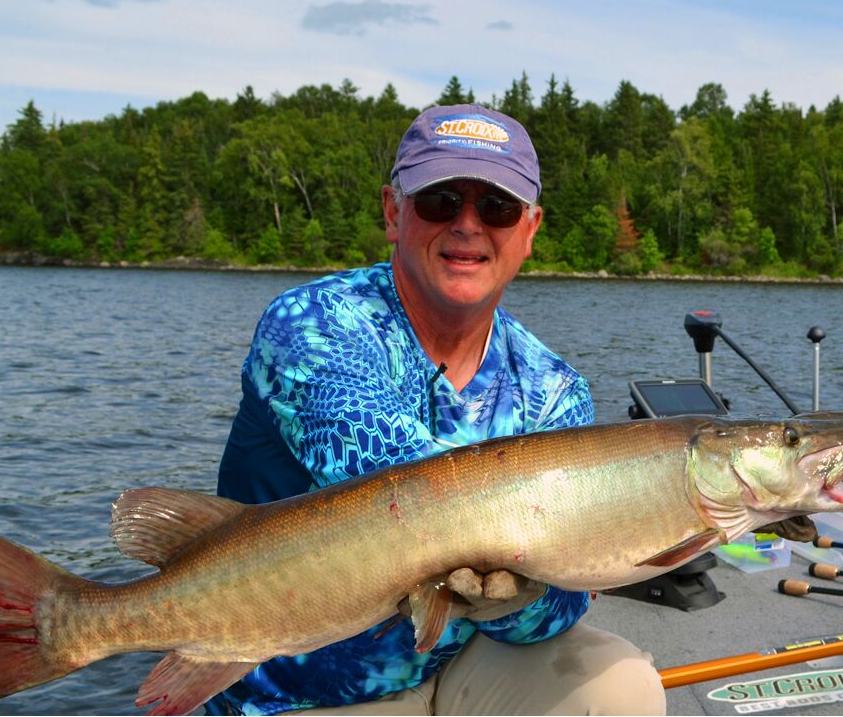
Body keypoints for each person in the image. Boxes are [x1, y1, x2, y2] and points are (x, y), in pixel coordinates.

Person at [206, 104, 666, 715]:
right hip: (295, 690)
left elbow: (550, 616)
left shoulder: (554, 388)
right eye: (440, 200)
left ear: (529, 230)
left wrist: (518, 598)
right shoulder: (313, 327)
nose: (467, 226)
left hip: (457, 659)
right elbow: (411, 502)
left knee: (620, 690)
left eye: (497, 208)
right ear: (395, 213)